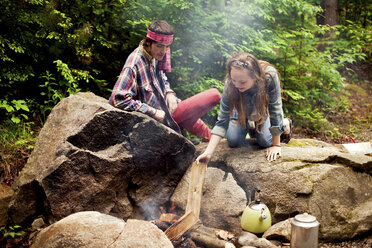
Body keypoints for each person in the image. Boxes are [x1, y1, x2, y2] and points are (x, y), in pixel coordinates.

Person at [109, 20, 221, 142]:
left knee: (190, 117)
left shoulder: (157, 55)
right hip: (158, 120)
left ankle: (213, 141)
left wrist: (169, 92)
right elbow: (116, 99)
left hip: (168, 108)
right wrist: (152, 112)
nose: (164, 50)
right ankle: (214, 141)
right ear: (148, 42)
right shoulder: (135, 63)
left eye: (167, 46)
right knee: (214, 95)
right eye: (159, 46)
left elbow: (163, 79)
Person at [196, 52, 292, 163]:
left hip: (263, 110)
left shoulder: (269, 76)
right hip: (241, 109)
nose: (237, 85)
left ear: (255, 78)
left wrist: (276, 145)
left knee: (265, 141)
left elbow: (275, 110)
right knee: (233, 140)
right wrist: (208, 153)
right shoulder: (231, 84)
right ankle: (251, 125)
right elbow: (222, 122)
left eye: (242, 82)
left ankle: (285, 124)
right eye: (234, 80)